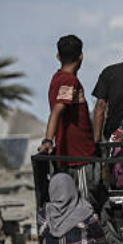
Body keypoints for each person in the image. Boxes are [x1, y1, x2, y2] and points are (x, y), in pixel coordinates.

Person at [38, 35, 96, 197]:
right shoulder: (69, 81)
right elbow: (58, 109)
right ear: (81, 56)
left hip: (68, 155)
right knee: (85, 205)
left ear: (58, 57)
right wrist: (48, 140)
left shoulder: (57, 78)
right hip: (79, 158)